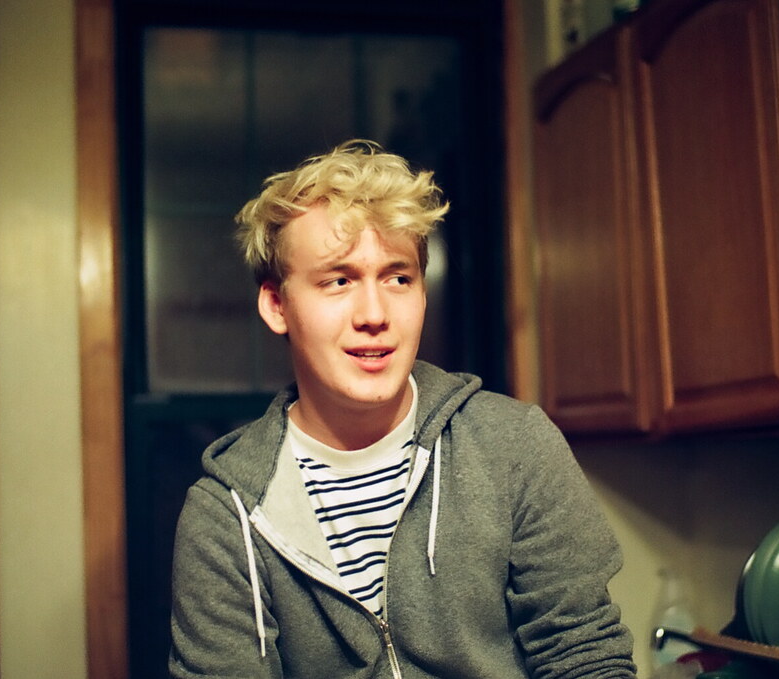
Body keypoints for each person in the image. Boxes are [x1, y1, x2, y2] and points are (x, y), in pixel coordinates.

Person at [169, 140, 637, 679]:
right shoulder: (224, 515)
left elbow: (584, 655)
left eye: (398, 278)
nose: (375, 314)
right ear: (277, 305)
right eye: (338, 280)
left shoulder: (515, 446)